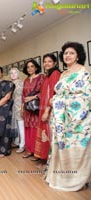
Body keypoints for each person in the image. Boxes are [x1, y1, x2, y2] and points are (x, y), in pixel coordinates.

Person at [45, 42, 91, 191]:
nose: (68, 55)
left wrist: (58, 100)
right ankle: (60, 175)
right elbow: (59, 93)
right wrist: (54, 100)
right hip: (60, 120)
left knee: (75, 147)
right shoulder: (64, 73)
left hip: (77, 119)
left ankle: (76, 179)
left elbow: (86, 97)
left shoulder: (83, 73)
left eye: (71, 53)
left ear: (78, 55)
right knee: (60, 147)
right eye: (65, 53)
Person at [34, 54, 61, 167]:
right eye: (45, 61)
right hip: (44, 108)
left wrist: (47, 111)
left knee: (50, 133)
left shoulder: (55, 74)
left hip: (50, 109)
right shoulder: (47, 75)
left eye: (50, 61)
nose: (47, 63)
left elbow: (54, 93)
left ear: (54, 63)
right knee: (45, 132)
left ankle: (51, 161)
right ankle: (45, 158)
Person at [21, 60, 45, 160]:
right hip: (27, 109)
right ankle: (29, 150)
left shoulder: (41, 77)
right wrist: (22, 107)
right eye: (28, 67)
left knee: (35, 129)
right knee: (28, 129)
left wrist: (33, 97)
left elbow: (44, 91)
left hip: (36, 108)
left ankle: (37, 152)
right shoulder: (26, 80)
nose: (30, 69)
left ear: (36, 67)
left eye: (32, 66)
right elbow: (23, 94)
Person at [9, 68, 25, 153]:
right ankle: (16, 142)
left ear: (18, 74)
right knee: (15, 125)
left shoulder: (22, 83)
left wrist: (23, 107)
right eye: (11, 73)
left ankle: (22, 145)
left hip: (20, 106)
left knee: (21, 126)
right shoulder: (10, 84)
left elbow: (24, 95)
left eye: (15, 73)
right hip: (12, 107)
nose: (13, 74)